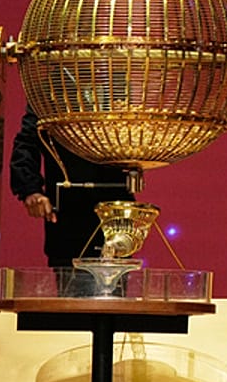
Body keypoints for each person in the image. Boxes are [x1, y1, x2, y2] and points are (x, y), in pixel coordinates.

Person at [9, 103, 135, 269]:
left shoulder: (117, 87)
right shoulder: (49, 89)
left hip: (115, 212)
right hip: (68, 215)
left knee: (115, 283)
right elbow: (27, 142)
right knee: (70, 287)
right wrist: (30, 190)